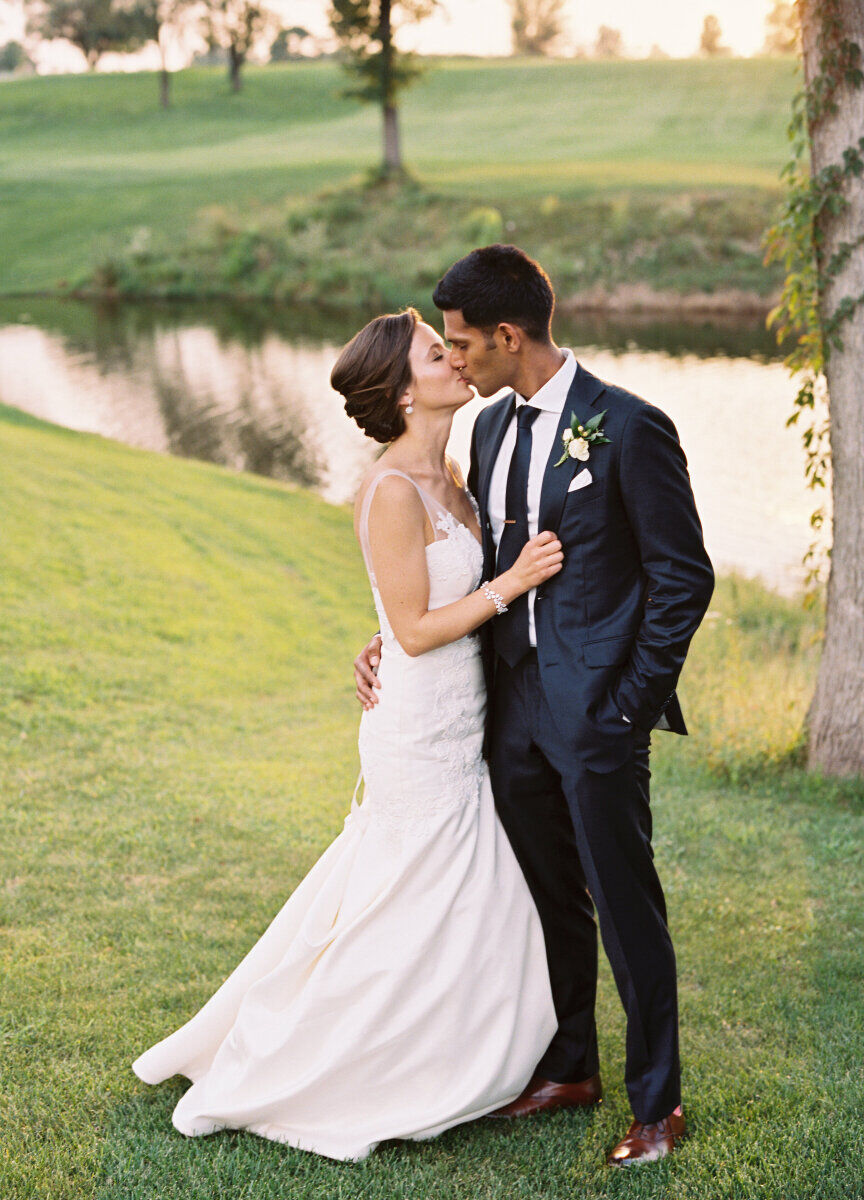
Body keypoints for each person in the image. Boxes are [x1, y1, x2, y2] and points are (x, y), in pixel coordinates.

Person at [131, 306, 564, 1162]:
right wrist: (511, 583)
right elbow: (412, 629)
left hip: (458, 715)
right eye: (438, 353)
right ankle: (329, 1061)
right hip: (415, 730)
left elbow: (407, 614)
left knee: (453, 894)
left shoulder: (454, 473)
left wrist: (401, 627)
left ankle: (456, 1046)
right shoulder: (392, 490)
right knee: (407, 897)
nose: (456, 358)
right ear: (405, 392)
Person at [355, 245, 715, 1167]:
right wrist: (390, 641)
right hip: (504, 716)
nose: (458, 357)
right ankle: (570, 1066)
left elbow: (683, 578)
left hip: (597, 719)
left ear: (510, 335)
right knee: (548, 899)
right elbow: (470, 578)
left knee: (625, 903)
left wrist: (630, 704)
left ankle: (658, 1104)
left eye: (466, 343)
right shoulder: (489, 433)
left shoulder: (629, 427)